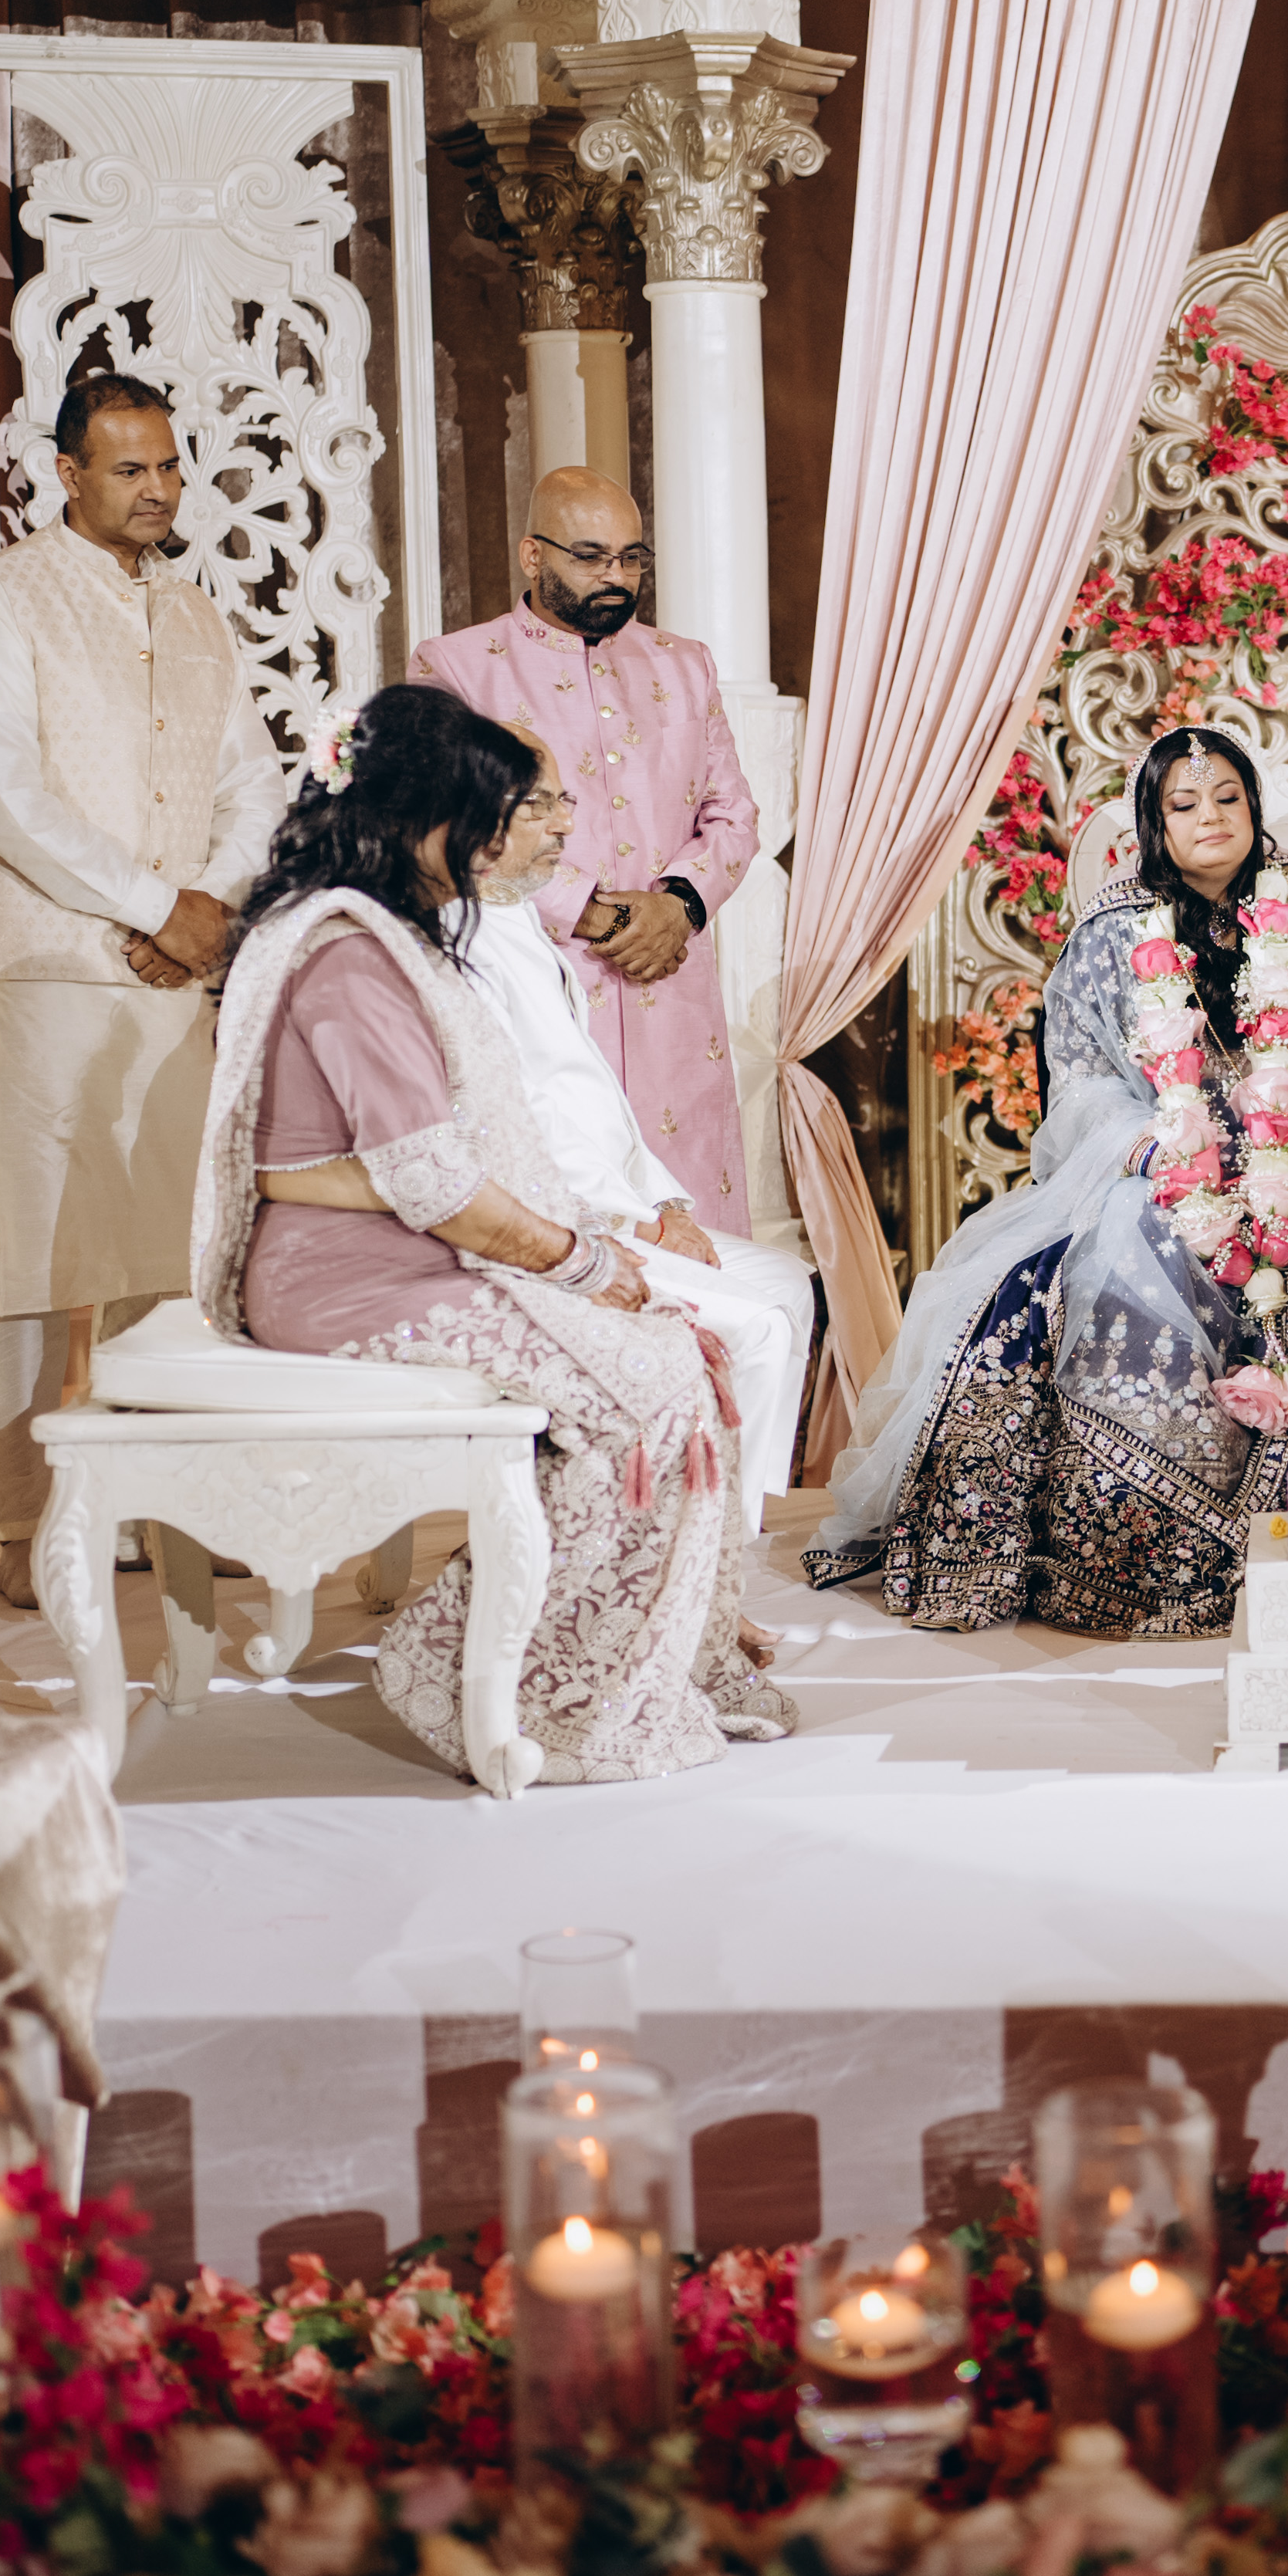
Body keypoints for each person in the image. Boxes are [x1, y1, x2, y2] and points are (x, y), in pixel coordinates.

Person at [807, 725, 1288, 1637]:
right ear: (1154, 823)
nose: (1210, 818)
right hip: (1162, 1184)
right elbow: (1078, 1080)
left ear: (1253, 807)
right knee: (1089, 1293)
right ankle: (1142, 1563)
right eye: (1184, 804)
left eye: (1227, 799)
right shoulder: (1110, 929)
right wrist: (1161, 1152)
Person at [190, 682, 791, 1785]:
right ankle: (508, 1678)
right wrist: (584, 1261)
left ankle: (656, 1653)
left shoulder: (387, 935)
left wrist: (583, 1249)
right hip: (351, 1283)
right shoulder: (351, 954)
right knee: (650, 1390)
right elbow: (427, 1178)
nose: (507, 838)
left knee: (681, 1357)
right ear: (428, 816)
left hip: (406, 1255)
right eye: (492, 811)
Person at [0, 376, 285, 1603]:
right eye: (130, 470)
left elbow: (251, 781)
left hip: (177, 976)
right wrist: (153, 905)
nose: (159, 490)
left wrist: (210, 906)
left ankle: (168, 1505)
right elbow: (2, 795)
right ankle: (31, 1530)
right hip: (50, 973)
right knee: (39, 1260)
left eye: (170, 467)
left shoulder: (195, 611)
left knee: (167, 1252)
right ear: (66, 474)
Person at [446, 735, 814, 1531]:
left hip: (622, 1211)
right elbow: (518, 1122)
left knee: (788, 1285)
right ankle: (692, 1549)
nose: (563, 825)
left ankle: (727, 1538)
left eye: (563, 802)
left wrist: (668, 1204)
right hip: (556, 1228)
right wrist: (634, 1223)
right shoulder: (459, 941)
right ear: (475, 817)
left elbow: (597, 1103)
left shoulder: (516, 922)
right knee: (757, 1328)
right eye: (538, 806)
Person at [411, 468, 759, 1232]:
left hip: (671, 986)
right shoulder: (457, 668)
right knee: (573, 1228)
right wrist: (594, 913)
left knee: (702, 1240)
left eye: (631, 558)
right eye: (591, 557)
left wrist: (678, 906)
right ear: (532, 555)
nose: (616, 578)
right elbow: (450, 831)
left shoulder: (683, 664)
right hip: (543, 987)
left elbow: (733, 814)